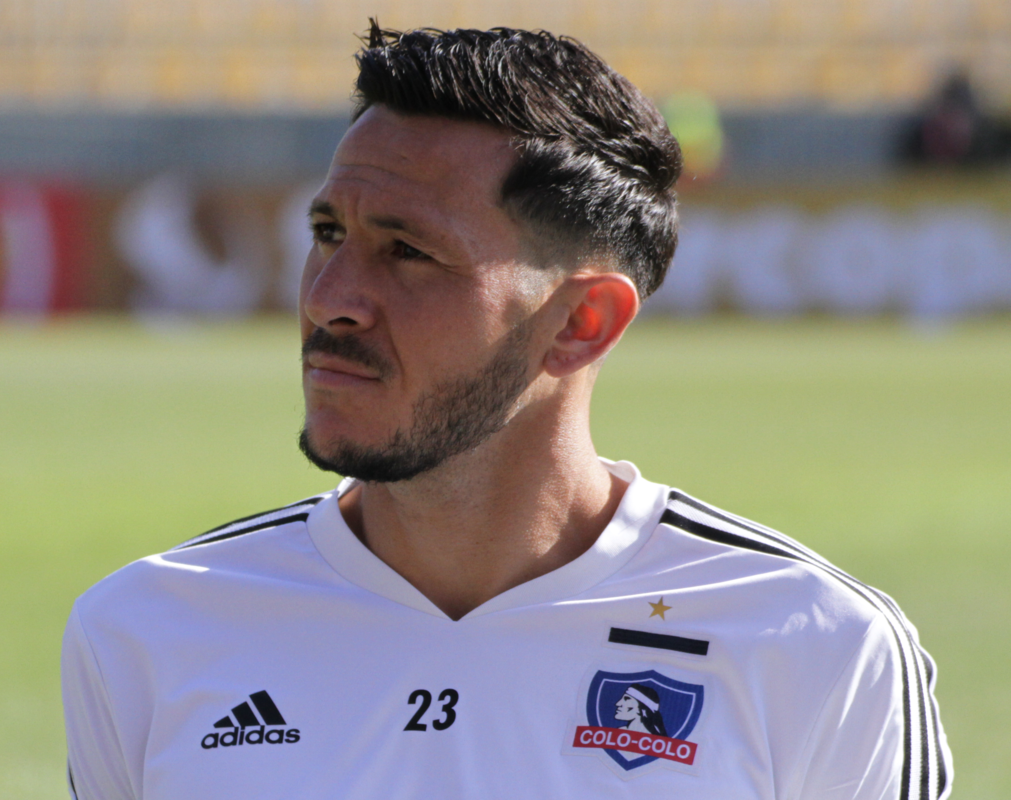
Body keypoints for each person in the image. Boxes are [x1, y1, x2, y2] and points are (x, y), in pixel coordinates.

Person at [62, 23, 952, 800]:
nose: (329, 298)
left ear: (580, 323)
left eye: (407, 252)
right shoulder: (148, 630)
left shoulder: (817, 648)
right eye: (328, 234)